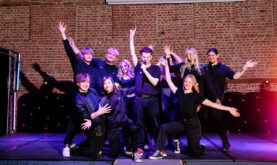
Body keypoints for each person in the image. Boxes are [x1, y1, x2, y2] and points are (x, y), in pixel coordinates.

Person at [149, 58, 240, 159]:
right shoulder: (179, 92)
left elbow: (212, 104)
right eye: (185, 82)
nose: (187, 84)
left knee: (194, 153)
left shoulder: (196, 96)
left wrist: (228, 109)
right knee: (164, 127)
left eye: (189, 82)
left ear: (193, 84)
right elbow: (169, 81)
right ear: (183, 83)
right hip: (181, 123)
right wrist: (166, 67)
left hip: (193, 125)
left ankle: (199, 147)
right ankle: (158, 151)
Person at [199, 48, 258, 151]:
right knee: (201, 121)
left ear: (217, 56)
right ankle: (196, 143)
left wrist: (245, 67)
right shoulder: (204, 68)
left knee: (218, 121)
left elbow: (235, 76)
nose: (211, 57)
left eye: (213, 55)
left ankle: (225, 142)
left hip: (216, 101)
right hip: (204, 100)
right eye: (209, 55)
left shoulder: (223, 68)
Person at [58, 22, 101, 157]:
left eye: (90, 54)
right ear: (82, 55)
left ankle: (92, 145)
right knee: (74, 123)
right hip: (78, 98)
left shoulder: (94, 69)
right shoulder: (77, 64)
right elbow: (69, 51)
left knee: (93, 123)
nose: (88, 56)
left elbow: (98, 86)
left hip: (92, 100)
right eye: (86, 54)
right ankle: (66, 145)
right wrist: (63, 34)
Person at [130, 28, 161, 155]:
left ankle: (156, 146)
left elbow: (154, 82)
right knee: (139, 123)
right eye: (143, 56)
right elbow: (132, 54)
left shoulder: (155, 68)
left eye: (148, 57)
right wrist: (131, 37)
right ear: (141, 56)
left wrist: (145, 70)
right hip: (139, 99)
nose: (146, 58)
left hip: (152, 99)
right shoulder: (138, 66)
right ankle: (140, 146)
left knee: (154, 123)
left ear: (151, 57)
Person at [96, 76, 141, 163]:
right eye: (105, 83)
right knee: (113, 154)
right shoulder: (103, 100)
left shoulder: (120, 92)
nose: (107, 85)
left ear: (113, 84)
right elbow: (101, 119)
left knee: (133, 128)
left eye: (109, 83)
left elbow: (132, 89)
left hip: (124, 122)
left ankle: (134, 151)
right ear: (103, 86)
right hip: (114, 127)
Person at [68, 73, 111, 159]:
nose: (86, 84)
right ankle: (75, 150)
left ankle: (87, 144)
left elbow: (99, 101)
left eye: (87, 82)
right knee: (95, 155)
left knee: (104, 137)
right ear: (78, 83)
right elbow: (84, 117)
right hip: (91, 124)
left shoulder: (92, 90)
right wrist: (98, 113)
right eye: (83, 82)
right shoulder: (78, 99)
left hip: (99, 120)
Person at [157, 44, 182, 153]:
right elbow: (156, 71)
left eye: (170, 60)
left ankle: (177, 142)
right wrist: (160, 62)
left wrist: (170, 53)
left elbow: (181, 61)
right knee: (166, 117)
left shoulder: (177, 70)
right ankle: (169, 142)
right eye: (167, 59)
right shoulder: (162, 71)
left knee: (176, 118)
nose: (168, 61)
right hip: (165, 94)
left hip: (175, 94)